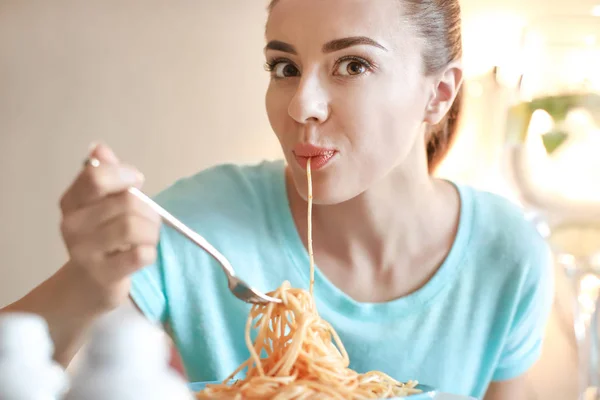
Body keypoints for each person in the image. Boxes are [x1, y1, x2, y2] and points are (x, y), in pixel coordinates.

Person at [1, 0, 554, 398]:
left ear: (438, 93)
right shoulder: (200, 222)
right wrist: (88, 280)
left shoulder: (506, 255)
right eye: (284, 68)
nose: (301, 105)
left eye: (353, 65)